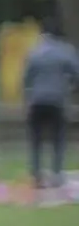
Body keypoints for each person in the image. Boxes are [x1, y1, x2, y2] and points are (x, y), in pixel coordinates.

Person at [22, 14, 79, 189]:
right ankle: (56, 174)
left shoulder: (35, 52)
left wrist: (28, 97)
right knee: (58, 139)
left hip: (37, 100)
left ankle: (37, 175)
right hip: (57, 100)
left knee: (36, 139)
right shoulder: (66, 51)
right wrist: (70, 88)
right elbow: (76, 74)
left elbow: (26, 79)